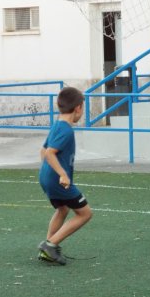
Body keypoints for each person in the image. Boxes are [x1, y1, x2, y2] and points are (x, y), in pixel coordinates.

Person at [37, 86, 93, 265]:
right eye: (83, 108)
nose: (82, 112)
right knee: (85, 213)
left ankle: (48, 248)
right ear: (78, 108)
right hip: (57, 181)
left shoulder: (57, 124)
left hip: (47, 177)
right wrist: (62, 174)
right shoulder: (66, 130)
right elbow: (50, 153)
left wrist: (47, 171)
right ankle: (50, 245)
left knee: (63, 209)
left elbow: (43, 150)